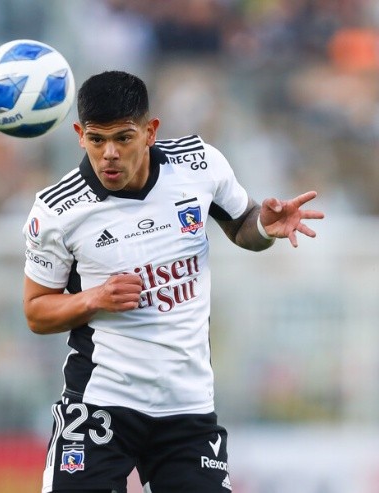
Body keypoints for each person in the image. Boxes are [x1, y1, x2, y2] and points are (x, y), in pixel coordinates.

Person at [21, 71, 324, 493]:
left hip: (187, 407)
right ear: (79, 135)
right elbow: (36, 312)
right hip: (101, 403)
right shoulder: (57, 211)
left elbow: (243, 225)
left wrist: (264, 227)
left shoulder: (200, 164)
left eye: (123, 138)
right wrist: (95, 298)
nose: (109, 154)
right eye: (96, 140)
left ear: (150, 132)